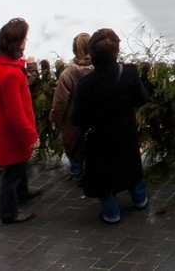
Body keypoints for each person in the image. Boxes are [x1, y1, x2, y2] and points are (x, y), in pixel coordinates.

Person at [73, 28, 151, 224]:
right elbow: (141, 99)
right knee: (131, 166)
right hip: (126, 132)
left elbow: (79, 119)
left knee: (103, 176)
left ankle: (111, 213)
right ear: (116, 51)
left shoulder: (85, 84)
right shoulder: (129, 72)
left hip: (100, 139)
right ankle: (140, 199)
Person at [0, 17, 39, 225]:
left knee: (19, 166)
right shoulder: (10, 75)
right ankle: (8, 212)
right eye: (24, 38)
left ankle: (23, 193)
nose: (26, 41)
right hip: (12, 134)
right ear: (17, 43)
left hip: (6, 130)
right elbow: (15, 113)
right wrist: (31, 135)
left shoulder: (2, 63)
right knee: (11, 173)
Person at [49, 32, 93, 182]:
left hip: (72, 121)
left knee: (74, 150)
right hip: (94, 118)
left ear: (74, 51)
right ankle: (90, 174)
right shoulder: (100, 69)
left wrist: (54, 118)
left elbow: (60, 101)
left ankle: (77, 175)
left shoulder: (68, 74)